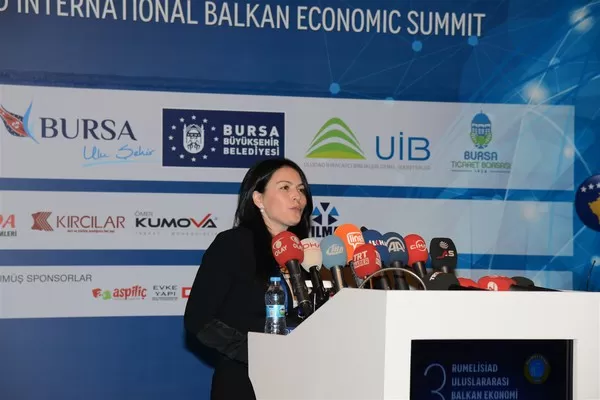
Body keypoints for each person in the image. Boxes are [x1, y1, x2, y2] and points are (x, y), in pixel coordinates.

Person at [184, 158, 314, 400]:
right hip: (244, 384)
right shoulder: (234, 245)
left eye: (301, 189)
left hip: (299, 382)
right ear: (258, 199)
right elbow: (199, 319)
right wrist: (256, 352)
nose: (297, 196)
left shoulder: (307, 254)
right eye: (285, 188)